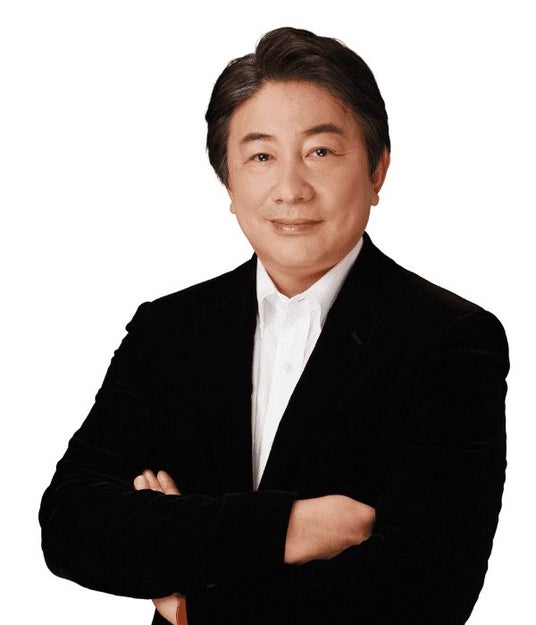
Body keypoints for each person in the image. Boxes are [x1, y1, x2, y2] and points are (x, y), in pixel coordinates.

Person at [39, 27, 508, 625]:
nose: (290, 190)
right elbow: (70, 526)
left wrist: (192, 600)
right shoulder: (169, 330)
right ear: (229, 182)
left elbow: (426, 587)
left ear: (378, 170)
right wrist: (290, 527)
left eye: (321, 152)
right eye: (261, 156)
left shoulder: (450, 338)